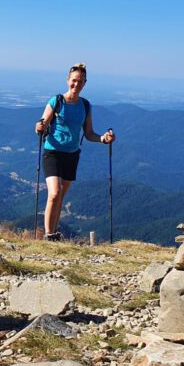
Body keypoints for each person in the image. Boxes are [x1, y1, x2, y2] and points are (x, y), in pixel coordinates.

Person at [33, 63, 115, 241]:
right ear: (67, 80)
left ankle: (53, 232)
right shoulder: (56, 101)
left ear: (85, 83)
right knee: (54, 193)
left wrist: (103, 139)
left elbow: (89, 133)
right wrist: (39, 127)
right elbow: (42, 125)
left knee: (60, 197)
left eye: (80, 81)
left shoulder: (85, 105)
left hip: (72, 154)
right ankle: (49, 235)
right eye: (74, 80)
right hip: (53, 152)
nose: (76, 84)